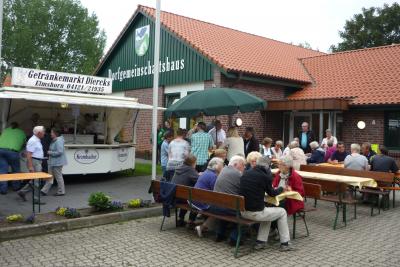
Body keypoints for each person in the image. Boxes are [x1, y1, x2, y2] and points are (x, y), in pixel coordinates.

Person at [240, 155, 294, 251]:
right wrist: (282, 188)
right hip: (255, 213)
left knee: (269, 212)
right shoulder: (265, 177)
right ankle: (285, 243)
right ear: (267, 166)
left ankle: (260, 242)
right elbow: (272, 194)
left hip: (242, 211)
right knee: (282, 212)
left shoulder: (246, 173)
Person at [195, 155, 246, 239]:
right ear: (236, 164)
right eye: (243, 165)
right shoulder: (237, 174)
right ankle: (234, 238)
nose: (244, 167)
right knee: (244, 214)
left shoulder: (223, 170)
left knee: (227, 207)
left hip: (215, 206)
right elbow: (244, 191)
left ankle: (220, 234)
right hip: (224, 208)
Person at [17, 126, 46, 204]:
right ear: (39, 133)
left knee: (35, 180)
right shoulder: (33, 140)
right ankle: (36, 200)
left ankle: (22, 192)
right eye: (43, 131)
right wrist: (30, 166)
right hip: (35, 162)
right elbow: (29, 154)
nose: (44, 133)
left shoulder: (36, 140)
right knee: (37, 181)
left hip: (36, 161)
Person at [171, 154, 199, 227]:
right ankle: (191, 221)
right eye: (196, 162)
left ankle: (181, 219)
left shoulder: (179, 167)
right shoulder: (191, 170)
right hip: (182, 198)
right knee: (197, 200)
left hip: (173, 196)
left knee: (187, 195)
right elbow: (199, 181)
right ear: (193, 163)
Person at [0, 122, 26, 194]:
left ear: (10, 125)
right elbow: (24, 144)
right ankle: (16, 187)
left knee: (2, 171)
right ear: (18, 126)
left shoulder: (5, 130)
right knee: (16, 170)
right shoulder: (21, 132)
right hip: (12, 152)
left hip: (1, 151)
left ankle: (3, 190)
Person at [41, 128, 67, 196]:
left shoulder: (58, 141)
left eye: (52, 132)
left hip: (57, 162)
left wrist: (50, 152)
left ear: (55, 134)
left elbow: (60, 152)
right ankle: (44, 190)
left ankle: (61, 191)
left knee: (58, 177)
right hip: (53, 162)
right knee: (50, 177)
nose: (50, 134)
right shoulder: (57, 140)